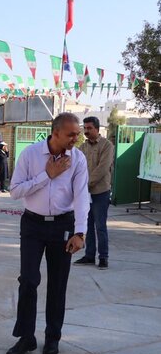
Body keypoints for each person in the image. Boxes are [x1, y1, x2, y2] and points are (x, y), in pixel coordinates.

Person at [5, 112, 89, 354]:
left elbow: (82, 196)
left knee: (58, 284)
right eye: (71, 134)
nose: (76, 138)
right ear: (55, 133)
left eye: (78, 134)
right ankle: (26, 337)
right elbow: (15, 191)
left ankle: (53, 338)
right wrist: (46, 175)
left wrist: (80, 232)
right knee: (29, 280)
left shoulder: (78, 159)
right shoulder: (30, 155)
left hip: (63, 225)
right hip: (32, 224)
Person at [74, 116, 114, 270]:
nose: (86, 131)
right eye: (85, 128)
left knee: (100, 226)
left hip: (100, 192)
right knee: (87, 225)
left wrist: (85, 184)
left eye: (89, 128)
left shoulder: (107, 146)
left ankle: (103, 257)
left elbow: (102, 169)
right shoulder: (82, 147)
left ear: (97, 128)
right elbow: (77, 166)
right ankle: (89, 256)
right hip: (85, 193)